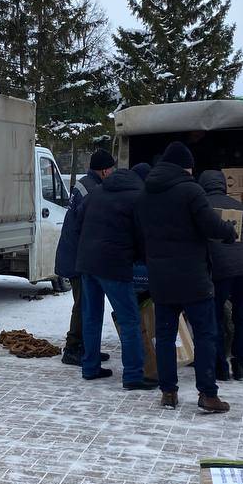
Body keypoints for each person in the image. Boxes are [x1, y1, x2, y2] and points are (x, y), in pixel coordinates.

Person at [134, 142, 235, 413]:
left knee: (165, 337)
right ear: (185, 166)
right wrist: (229, 232)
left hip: (161, 278)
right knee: (205, 334)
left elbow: (140, 234)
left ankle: (168, 392)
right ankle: (207, 393)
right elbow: (210, 225)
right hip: (193, 278)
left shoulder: (145, 193)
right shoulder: (191, 190)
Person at [74, 166, 150, 389]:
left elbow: (78, 219)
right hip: (114, 265)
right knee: (129, 320)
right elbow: (142, 234)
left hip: (88, 262)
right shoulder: (138, 197)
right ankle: (134, 375)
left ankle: (90, 367)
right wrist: (142, 258)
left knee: (91, 316)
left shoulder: (97, 191)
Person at [56, 149, 116, 366]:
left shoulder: (87, 184)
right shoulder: (92, 190)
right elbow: (88, 227)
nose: (113, 172)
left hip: (75, 254)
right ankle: (73, 348)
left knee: (87, 303)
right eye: (112, 168)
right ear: (104, 170)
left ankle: (88, 348)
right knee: (83, 304)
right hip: (77, 258)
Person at [198, 170, 243, 382]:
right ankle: (239, 364)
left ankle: (220, 366)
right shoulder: (240, 206)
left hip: (219, 269)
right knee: (242, 316)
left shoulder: (202, 206)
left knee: (215, 316)